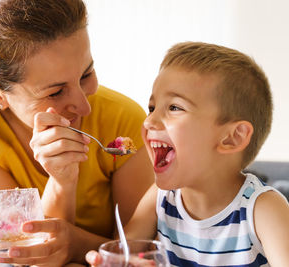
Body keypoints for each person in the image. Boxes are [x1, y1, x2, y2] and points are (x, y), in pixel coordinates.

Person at [0, 0, 154, 266]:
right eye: (55, 92)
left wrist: (74, 244)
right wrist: (62, 181)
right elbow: (24, 255)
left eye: (86, 74)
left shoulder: (123, 120)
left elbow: (136, 249)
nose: (85, 106)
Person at [86, 42, 289, 266]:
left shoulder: (263, 209)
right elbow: (124, 253)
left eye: (174, 107)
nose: (149, 121)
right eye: (152, 107)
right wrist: (111, 262)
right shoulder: (161, 198)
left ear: (232, 138)